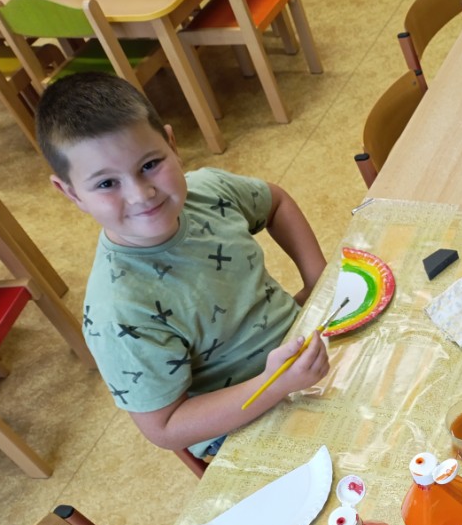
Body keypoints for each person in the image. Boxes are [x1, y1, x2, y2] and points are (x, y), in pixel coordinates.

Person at [35, 72, 329, 459]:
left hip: (304, 351)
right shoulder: (117, 311)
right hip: (240, 431)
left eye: (149, 164)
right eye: (107, 184)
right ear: (71, 193)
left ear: (172, 146)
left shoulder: (209, 190)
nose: (141, 194)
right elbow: (165, 427)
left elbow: (276, 203)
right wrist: (274, 385)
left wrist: (319, 280)